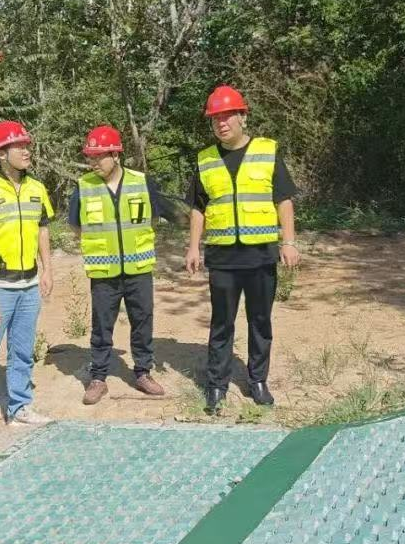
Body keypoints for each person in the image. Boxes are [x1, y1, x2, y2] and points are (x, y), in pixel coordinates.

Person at [185, 86, 300, 415]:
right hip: (223, 257)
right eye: (215, 119)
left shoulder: (267, 151)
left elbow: (283, 200)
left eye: (227, 117)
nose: (221, 124)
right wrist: (193, 247)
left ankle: (258, 380)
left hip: (261, 254)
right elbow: (198, 208)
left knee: (260, 320)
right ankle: (217, 385)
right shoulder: (205, 160)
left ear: (242, 117)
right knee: (222, 322)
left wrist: (289, 242)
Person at [68, 125, 178, 405]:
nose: (93, 162)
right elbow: (76, 226)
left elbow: (153, 218)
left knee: (142, 321)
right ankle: (98, 377)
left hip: (138, 268)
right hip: (103, 270)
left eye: (99, 156)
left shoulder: (142, 182)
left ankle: (143, 372)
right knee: (101, 325)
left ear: (116, 155)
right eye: (90, 157)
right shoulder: (83, 187)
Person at [0, 121, 55, 441]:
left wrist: (47, 270)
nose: (26, 151)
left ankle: (20, 406)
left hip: (29, 284)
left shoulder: (37, 187)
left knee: (22, 350)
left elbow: (42, 229)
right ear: (1, 154)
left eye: (27, 145)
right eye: (19, 146)